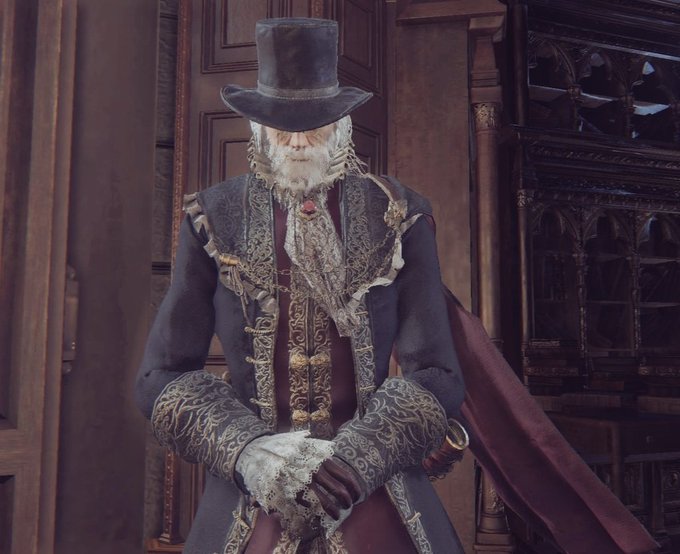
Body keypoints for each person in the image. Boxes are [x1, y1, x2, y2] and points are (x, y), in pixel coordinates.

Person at [136, 17, 659, 554]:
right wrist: (249, 452)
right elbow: (160, 376)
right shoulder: (211, 218)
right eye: (280, 128)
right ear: (256, 128)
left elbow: (437, 373)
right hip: (250, 496)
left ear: (342, 123)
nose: (296, 142)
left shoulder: (397, 214)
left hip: (375, 490)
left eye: (314, 126)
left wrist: (355, 462)